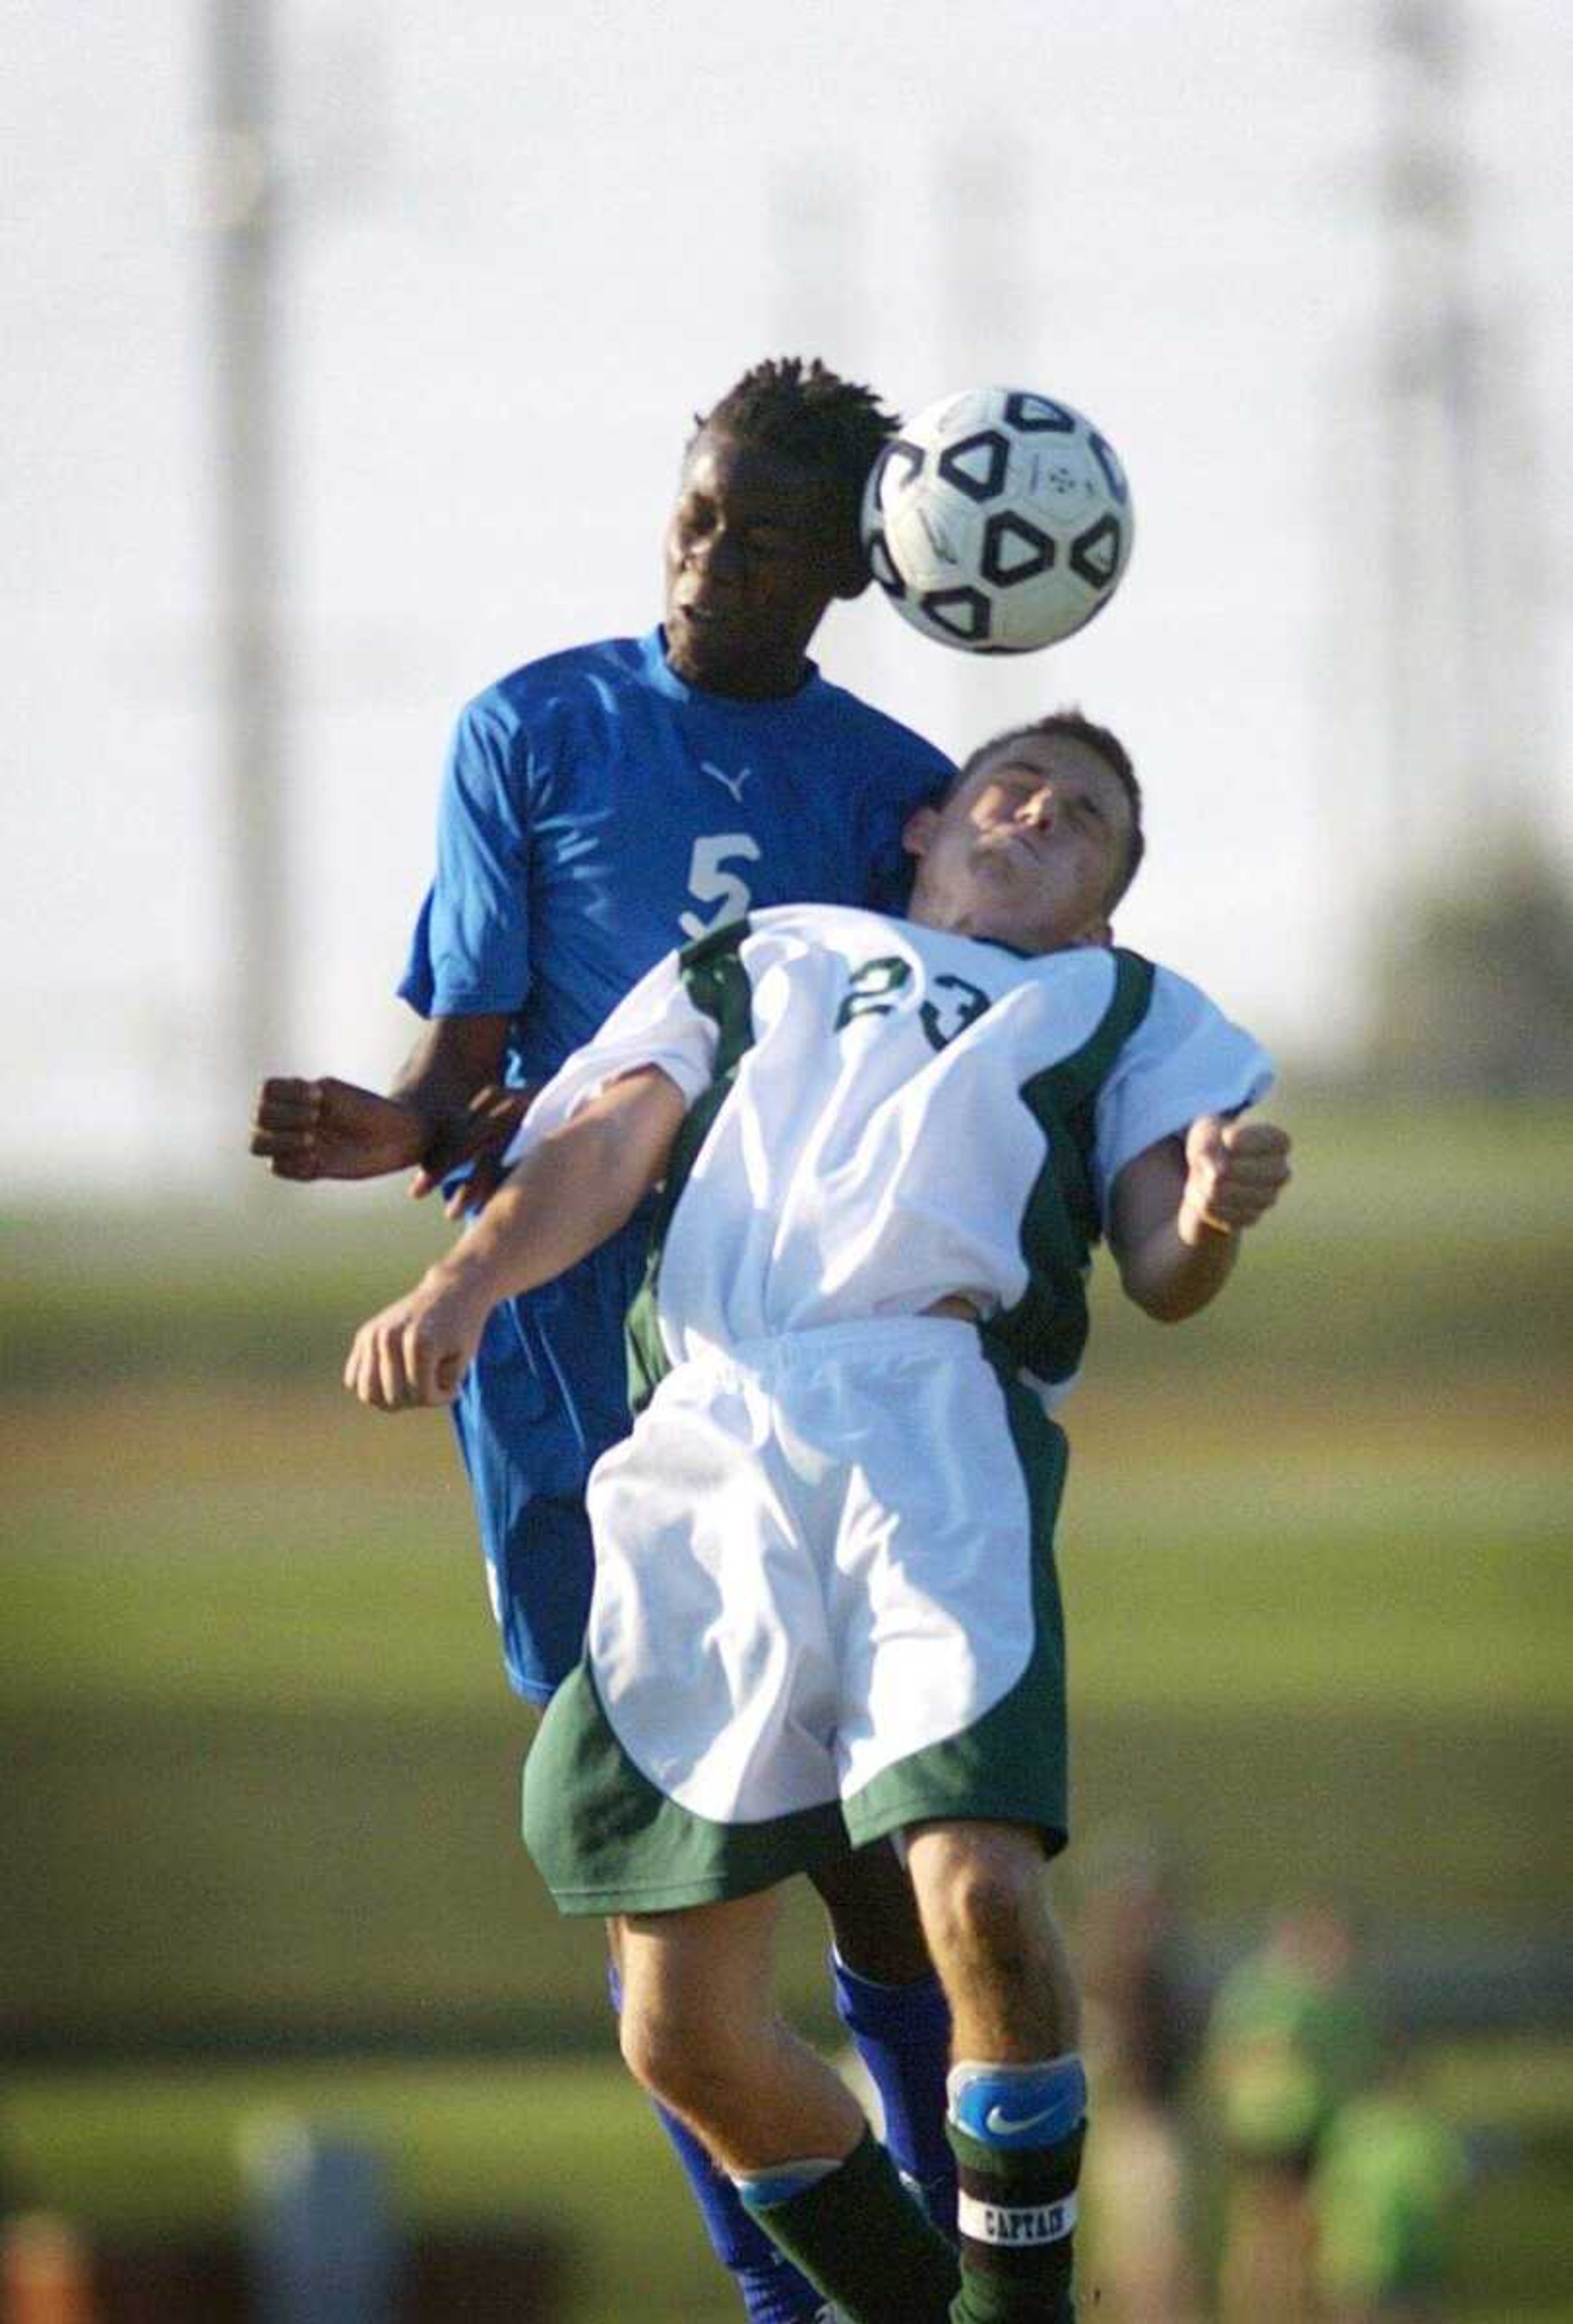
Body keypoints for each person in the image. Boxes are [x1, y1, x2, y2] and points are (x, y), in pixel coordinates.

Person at [343, 711, 1294, 2324]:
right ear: (926, 825)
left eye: (1085, 820)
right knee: (683, 2031)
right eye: (1016, 786)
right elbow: (599, 1136)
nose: (1038, 812)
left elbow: (1160, 1263)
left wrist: (1205, 1210)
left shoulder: (1122, 1005)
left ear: (1110, 905)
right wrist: (464, 1277)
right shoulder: (764, 949)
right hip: (703, 1438)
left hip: (928, 1420)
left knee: (980, 1891)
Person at [251, 357, 959, 2324]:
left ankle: (961, 2242)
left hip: (775, 1367)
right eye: (698, 506)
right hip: (554, 1363)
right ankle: (788, 2289)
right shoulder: (532, 727)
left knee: (853, 1841)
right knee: (659, 1871)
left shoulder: (892, 789)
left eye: (763, 533)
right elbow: (467, 1076)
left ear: (842, 569)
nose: (708, 554)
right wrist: (390, 1132)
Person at [1204, 1903, 1381, 2324]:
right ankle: (1261, 2308)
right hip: (1272, 2125)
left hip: (1308, 2124)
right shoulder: (1272, 1990)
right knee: (1269, 2225)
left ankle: (1281, 2306)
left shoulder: (1327, 1991)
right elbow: (1237, 2058)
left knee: (1292, 2230)